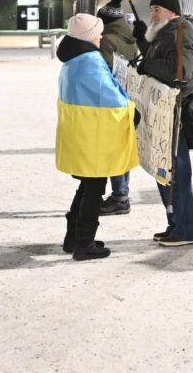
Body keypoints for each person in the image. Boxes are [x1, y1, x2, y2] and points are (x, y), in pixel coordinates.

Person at [55, 13, 136, 261]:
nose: (100, 37)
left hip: (81, 132)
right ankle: (85, 243)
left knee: (86, 186)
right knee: (94, 188)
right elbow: (110, 95)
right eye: (97, 33)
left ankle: (73, 237)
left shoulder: (72, 61)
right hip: (94, 135)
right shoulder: (89, 61)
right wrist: (132, 110)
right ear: (87, 37)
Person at [136, 0, 193, 247]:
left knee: (177, 172)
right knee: (165, 170)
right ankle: (176, 224)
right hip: (164, 112)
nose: (152, 14)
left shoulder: (181, 33)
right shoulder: (167, 32)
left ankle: (187, 230)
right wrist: (142, 43)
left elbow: (179, 72)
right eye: (151, 9)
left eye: (157, 10)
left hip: (176, 112)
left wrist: (147, 66)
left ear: (172, 12)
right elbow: (160, 60)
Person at [96, 0, 144, 215]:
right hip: (130, 98)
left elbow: (105, 72)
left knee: (113, 148)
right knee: (123, 147)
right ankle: (122, 193)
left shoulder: (107, 40)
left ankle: (119, 196)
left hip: (113, 100)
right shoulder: (130, 38)